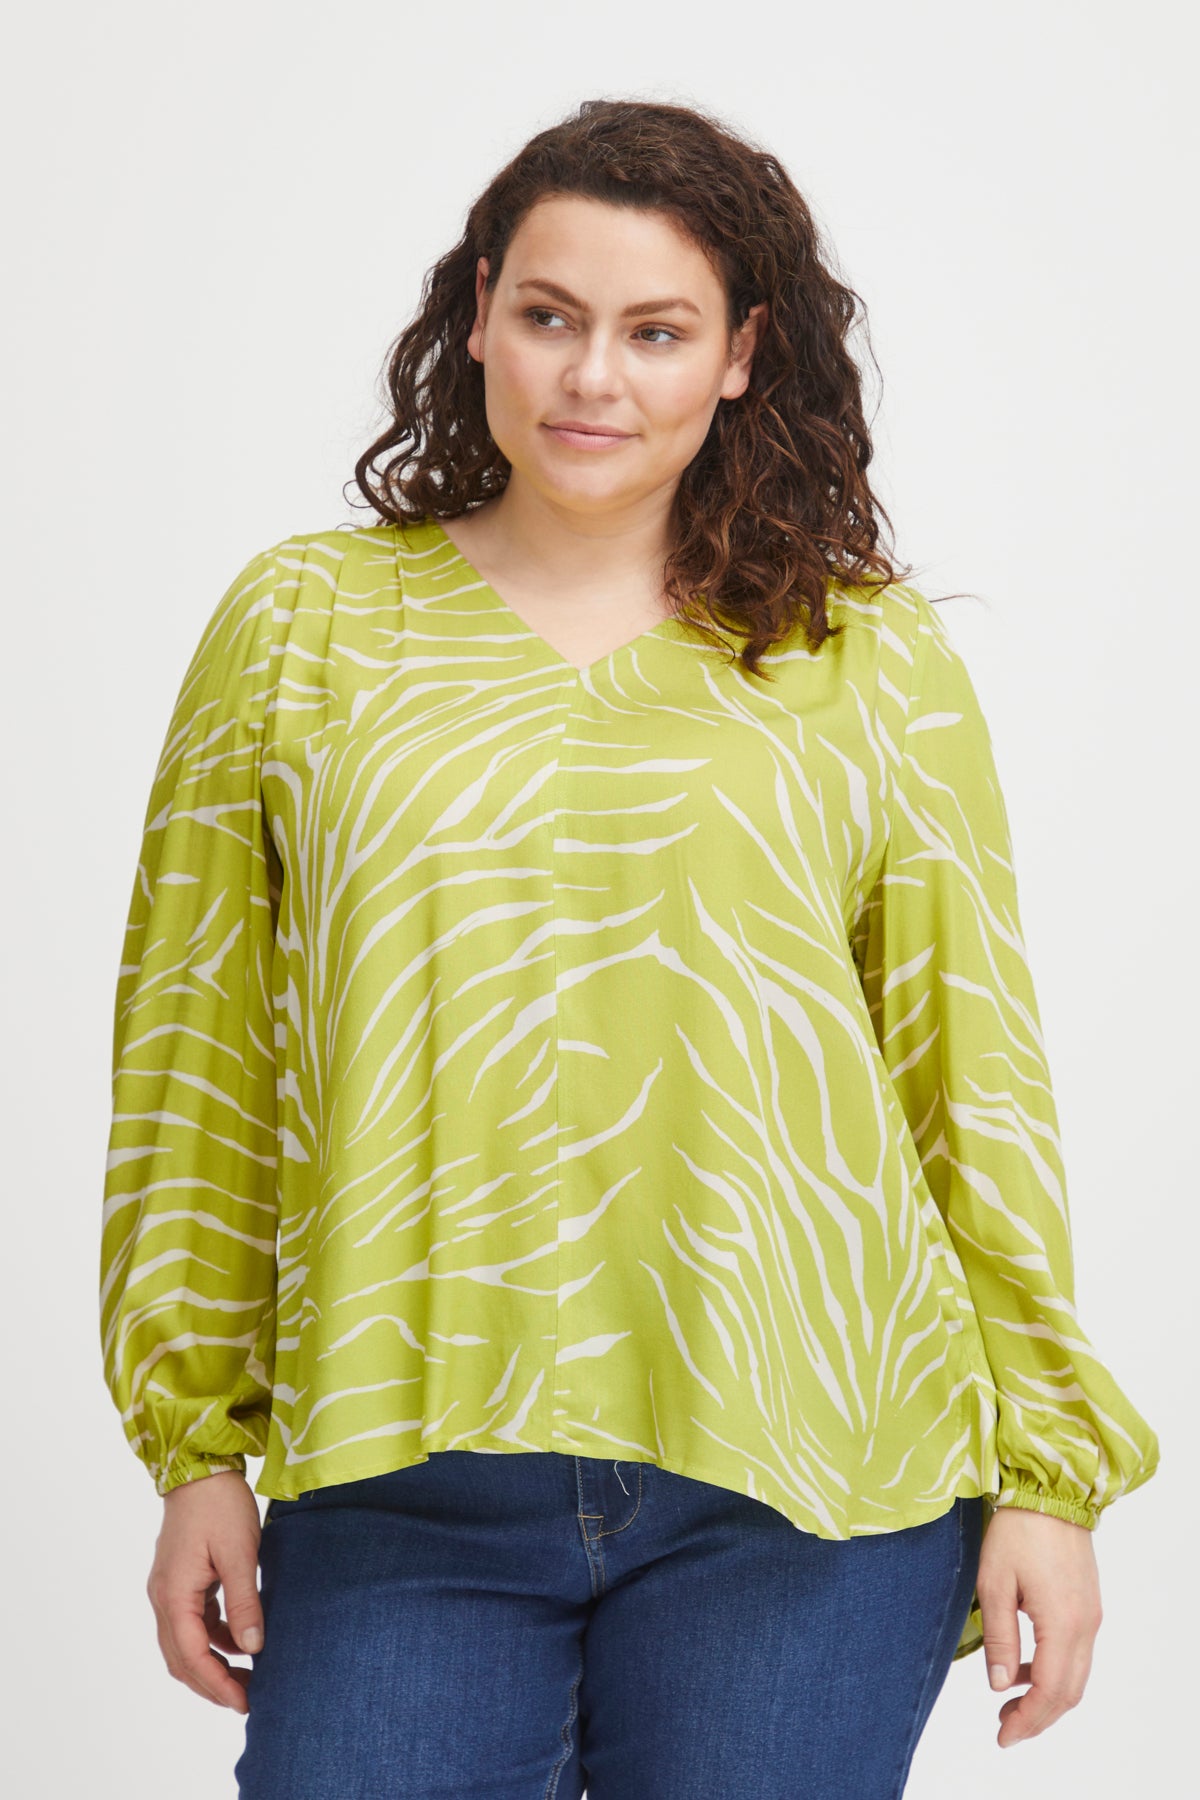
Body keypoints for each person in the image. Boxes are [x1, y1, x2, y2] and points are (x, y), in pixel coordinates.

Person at [99, 97, 1160, 1799]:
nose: (594, 377)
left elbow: (971, 1075)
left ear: (740, 356)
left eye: (657, 332)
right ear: (479, 319)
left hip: (810, 1473)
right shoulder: (302, 627)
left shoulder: (866, 661)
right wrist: (193, 1444)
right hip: (403, 1465)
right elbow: (195, 1053)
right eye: (550, 315)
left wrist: (1049, 1472)